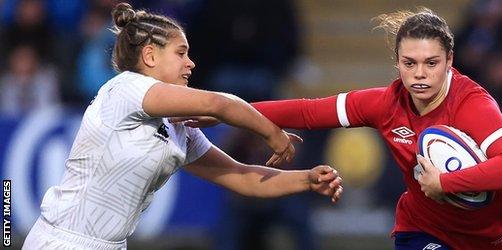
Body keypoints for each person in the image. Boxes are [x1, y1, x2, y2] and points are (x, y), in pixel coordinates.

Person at [175, 7, 502, 249]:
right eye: (409, 63)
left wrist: (445, 183)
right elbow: (309, 111)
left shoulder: (473, 105)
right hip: (422, 230)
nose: (419, 74)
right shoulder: (385, 103)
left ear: (450, 61)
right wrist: (226, 111)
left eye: (431, 63)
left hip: (489, 239)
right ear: (397, 62)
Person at [21, 3, 343, 249]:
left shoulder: (177, 127)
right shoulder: (126, 89)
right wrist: (272, 133)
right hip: (63, 240)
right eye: (181, 53)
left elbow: (243, 178)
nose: (191, 63)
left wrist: (307, 179)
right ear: (149, 56)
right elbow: (219, 104)